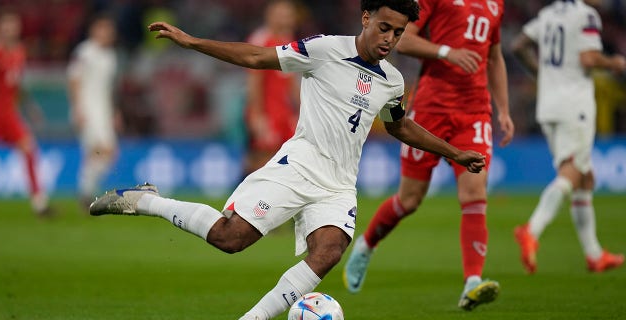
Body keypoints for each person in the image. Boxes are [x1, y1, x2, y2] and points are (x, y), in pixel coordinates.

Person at [90, 1, 487, 319]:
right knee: (231, 239)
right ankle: (148, 200)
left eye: (398, 32)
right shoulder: (324, 49)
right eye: (384, 27)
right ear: (366, 18)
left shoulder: (392, 80)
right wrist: (194, 43)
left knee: (329, 250)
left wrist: (454, 153)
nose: (390, 39)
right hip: (298, 166)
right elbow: (256, 58)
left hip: (338, 185)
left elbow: (400, 127)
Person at [343, 0, 515, 311]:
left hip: (474, 111)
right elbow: (404, 40)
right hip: (431, 109)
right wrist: (446, 52)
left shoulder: (496, 4)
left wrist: (503, 109)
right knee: (409, 200)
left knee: (475, 194)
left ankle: (472, 283)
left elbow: (495, 57)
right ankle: (367, 244)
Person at [511, 0, 625, 274]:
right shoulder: (586, 15)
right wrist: (614, 63)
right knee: (572, 172)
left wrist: (542, 73)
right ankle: (532, 229)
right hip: (575, 105)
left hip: (548, 104)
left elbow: (518, 45)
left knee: (585, 177)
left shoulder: (549, 14)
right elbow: (588, 59)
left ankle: (594, 255)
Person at [0, 12, 51, 216]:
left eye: (12, 26)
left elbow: (16, 85)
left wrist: (30, 108)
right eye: (5, 26)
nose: (9, 30)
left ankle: (39, 204)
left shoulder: (19, 52)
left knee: (29, 149)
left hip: (8, 116)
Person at [67, 15, 119, 208]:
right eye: (103, 29)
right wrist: (78, 109)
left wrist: (114, 113)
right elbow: (73, 80)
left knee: (107, 154)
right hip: (88, 110)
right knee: (100, 151)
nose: (107, 33)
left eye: (109, 29)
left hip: (103, 112)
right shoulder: (85, 51)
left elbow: (108, 89)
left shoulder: (110, 56)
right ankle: (86, 194)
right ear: (93, 30)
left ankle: (86, 191)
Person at [244, 0, 300, 176]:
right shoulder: (261, 40)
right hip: (266, 111)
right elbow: (254, 81)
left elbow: (291, 83)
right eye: (281, 14)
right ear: (270, 16)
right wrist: (257, 115)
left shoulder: (288, 42)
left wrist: (301, 112)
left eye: (289, 15)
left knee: (285, 159)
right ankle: (242, 197)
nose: (286, 19)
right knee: (262, 160)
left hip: (283, 112)